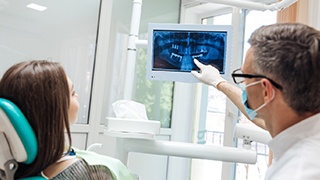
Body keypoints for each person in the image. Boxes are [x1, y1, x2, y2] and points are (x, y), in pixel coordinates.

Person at [192, 22, 320, 179]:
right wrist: (218, 82)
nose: (243, 85)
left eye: (244, 77)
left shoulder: (297, 172)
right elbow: (261, 117)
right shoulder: (300, 129)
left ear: (266, 90)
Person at [0, 60, 137, 179]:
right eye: (72, 93)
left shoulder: (13, 169)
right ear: (52, 112)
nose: (77, 96)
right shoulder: (87, 174)